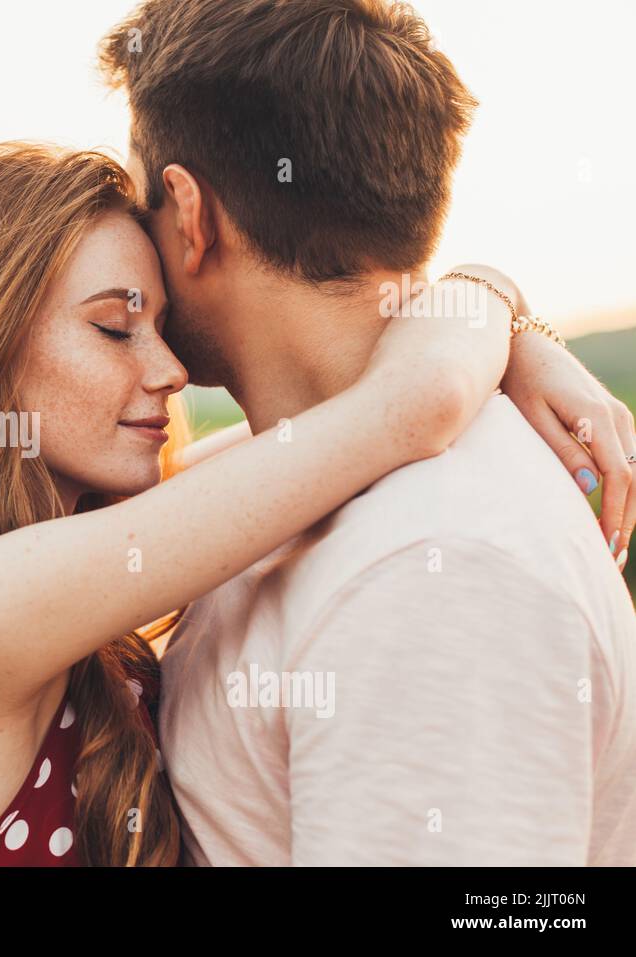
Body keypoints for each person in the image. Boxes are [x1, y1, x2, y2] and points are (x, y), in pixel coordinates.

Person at [0, 138, 632, 866]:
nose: (168, 370)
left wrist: (513, 330)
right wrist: (497, 299)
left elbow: (312, 440)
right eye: (112, 327)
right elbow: (404, 410)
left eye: (160, 327)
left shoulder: (52, 554)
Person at [99, 0, 636, 864]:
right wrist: (495, 297)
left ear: (190, 215)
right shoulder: (269, 476)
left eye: (139, 199)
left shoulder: (433, 566)